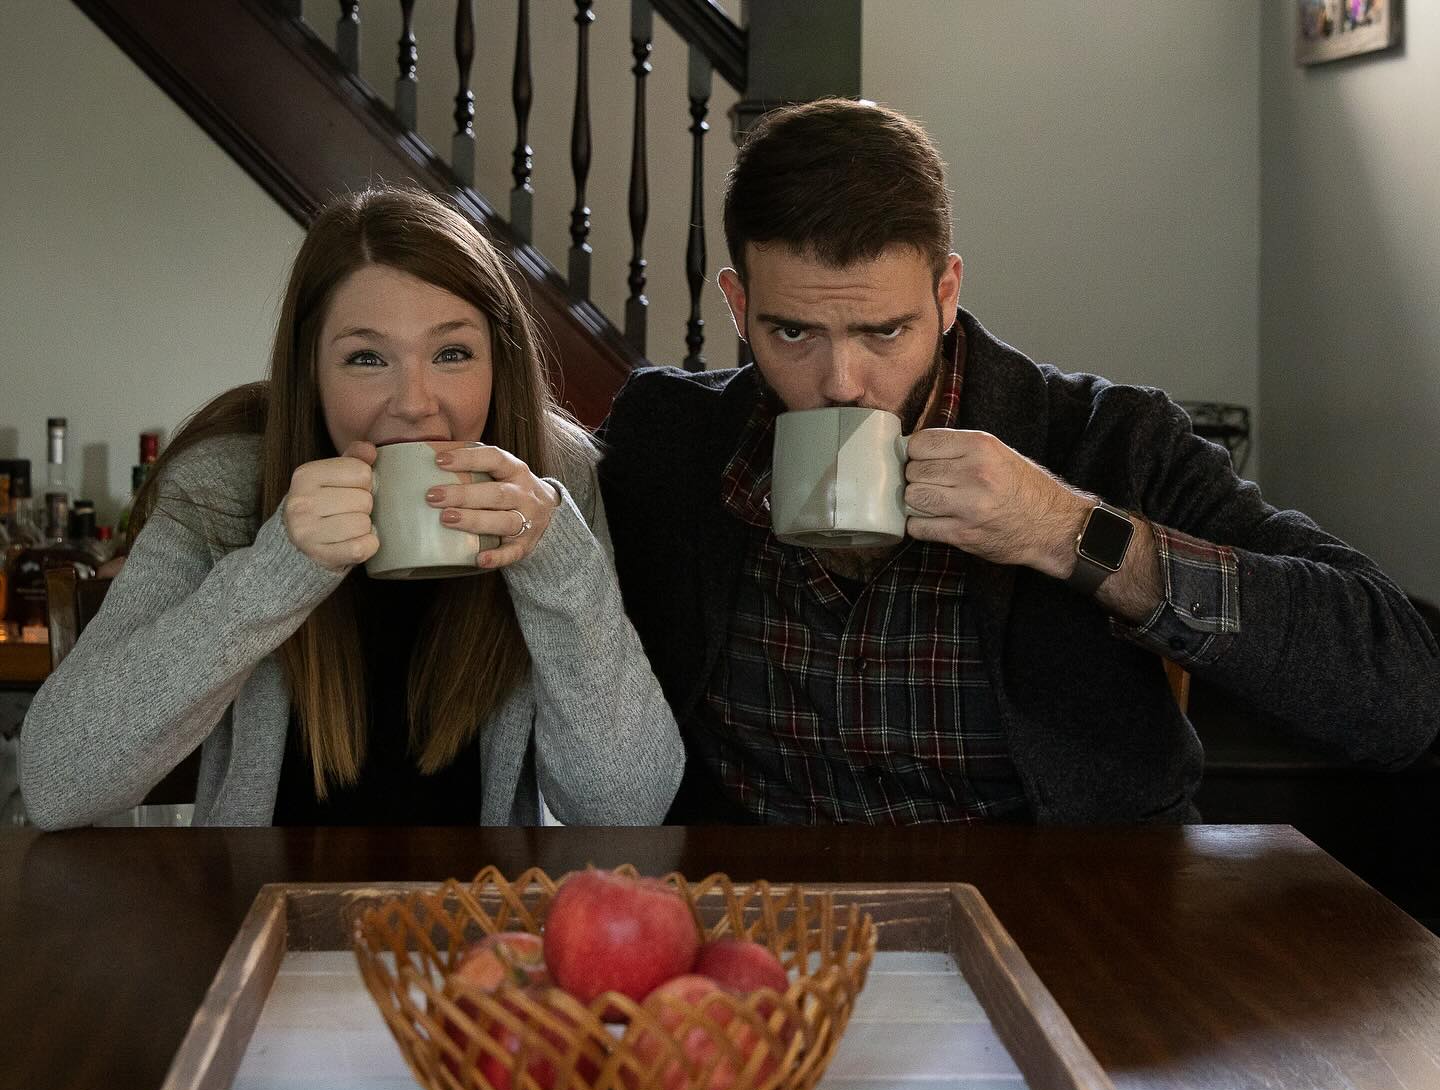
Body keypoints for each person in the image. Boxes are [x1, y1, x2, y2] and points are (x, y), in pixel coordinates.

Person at [597, 98, 1440, 825]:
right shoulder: (670, 439)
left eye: (884, 331)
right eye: (793, 333)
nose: (841, 381)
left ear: (947, 292)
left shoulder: (1105, 437)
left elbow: (1404, 691)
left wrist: (1068, 531)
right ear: (737, 305)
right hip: (770, 927)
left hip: (1064, 919)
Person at [21, 186, 683, 829]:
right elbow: (58, 781)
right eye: (367, 358)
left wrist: (558, 561)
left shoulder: (556, 482)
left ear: (500, 364)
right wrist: (275, 569)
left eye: (452, 353)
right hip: (262, 922)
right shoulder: (223, 487)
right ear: (309, 373)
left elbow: (624, 807)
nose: (415, 402)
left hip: (480, 927)